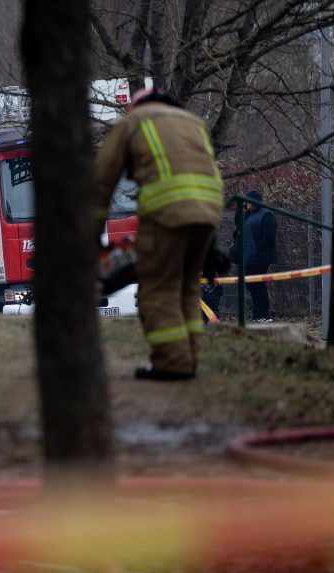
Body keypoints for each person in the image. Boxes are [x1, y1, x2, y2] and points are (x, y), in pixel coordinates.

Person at [94, 87, 224, 381]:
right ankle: (190, 358)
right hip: (208, 215)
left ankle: (172, 363)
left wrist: (91, 234)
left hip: (166, 216)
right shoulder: (194, 123)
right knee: (187, 288)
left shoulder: (133, 122)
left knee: (158, 289)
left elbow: (102, 180)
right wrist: (211, 242)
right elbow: (208, 175)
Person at [233, 189, 277, 322]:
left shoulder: (266, 215)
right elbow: (238, 224)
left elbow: (269, 234)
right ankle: (258, 314)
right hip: (249, 255)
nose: (246, 203)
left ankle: (263, 314)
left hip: (260, 256)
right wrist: (241, 209)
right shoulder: (248, 215)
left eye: (248, 202)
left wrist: (259, 249)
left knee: (256, 284)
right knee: (251, 284)